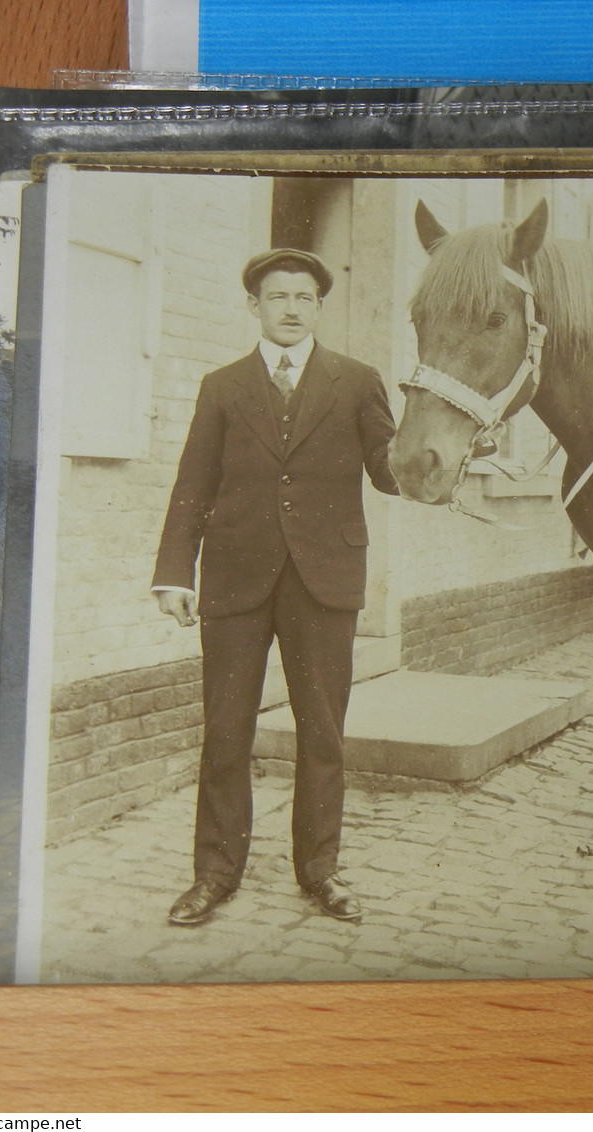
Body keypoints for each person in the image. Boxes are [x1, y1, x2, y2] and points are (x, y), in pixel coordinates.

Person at [152, 248, 400, 926]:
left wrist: (448, 450)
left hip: (324, 582)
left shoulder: (357, 381)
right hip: (234, 581)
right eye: (277, 297)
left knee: (323, 734)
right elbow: (192, 485)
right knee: (225, 732)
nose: (291, 307)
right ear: (254, 307)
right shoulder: (223, 387)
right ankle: (214, 875)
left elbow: (389, 469)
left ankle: (320, 872)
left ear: (319, 307)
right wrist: (175, 572)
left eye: (303, 297)